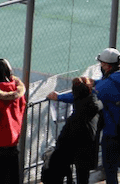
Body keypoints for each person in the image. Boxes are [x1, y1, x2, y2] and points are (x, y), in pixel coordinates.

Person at [49, 48, 120, 184]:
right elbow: (103, 84)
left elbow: (85, 96)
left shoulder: (106, 86)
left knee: (110, 169)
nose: (101, 66)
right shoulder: (113, 80)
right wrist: (94, 82)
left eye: (102, 64)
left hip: (113, 133)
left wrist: (59, 97)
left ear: (107, 65)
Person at [42, 77, 102, 184]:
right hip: (88, 148)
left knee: (61, 163)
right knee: (83, 176)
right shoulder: (96, 105)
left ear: (74, 93)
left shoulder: (75, 119)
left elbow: (62, 142)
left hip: (72, 149)